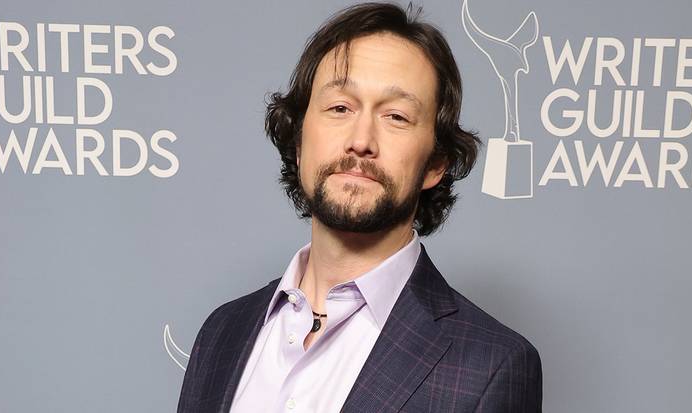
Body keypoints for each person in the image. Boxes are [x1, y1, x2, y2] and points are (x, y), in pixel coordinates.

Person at [177, 2, 542, 412]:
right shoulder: (223, 332)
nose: (361, 139)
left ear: (436, 163)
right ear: (299, 142)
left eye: (397, 117)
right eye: (340, 108)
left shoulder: (490, 365)